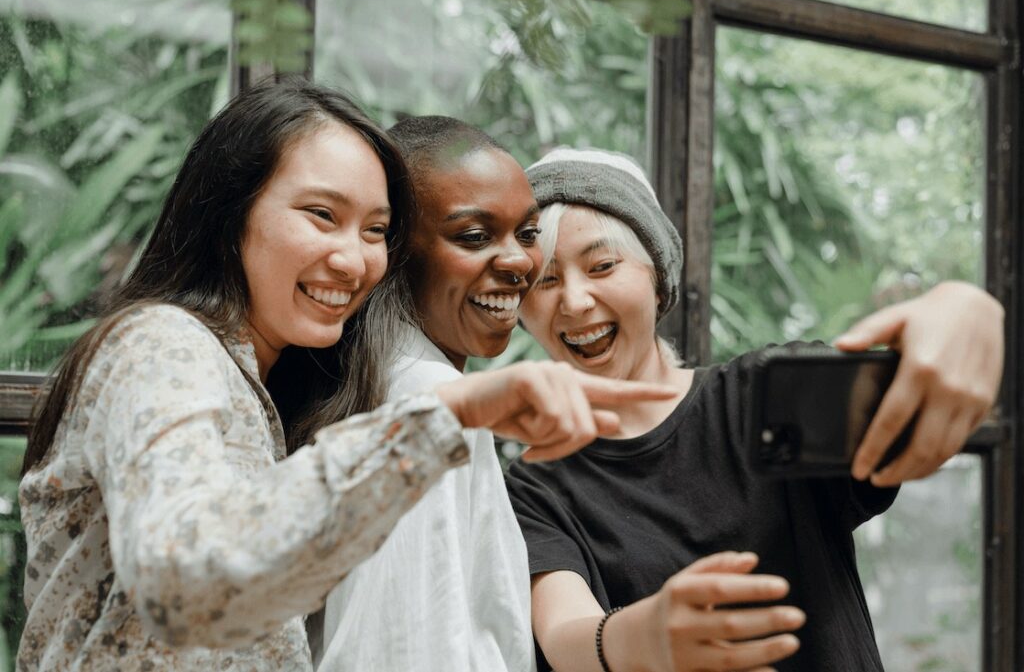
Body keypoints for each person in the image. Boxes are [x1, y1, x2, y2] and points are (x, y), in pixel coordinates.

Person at [16, 87, 674, 672]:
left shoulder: (266, 385)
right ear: (231, 211)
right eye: (322, 215)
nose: (354, 257)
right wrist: (447, 418)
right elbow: (182, 583)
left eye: (376, 230)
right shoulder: (164, 346)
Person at [505, 147, 1005, 672]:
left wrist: (964, 308)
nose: (576, 301)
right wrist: (643, 635)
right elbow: (565, 636)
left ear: (657, 278)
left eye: (603, 265)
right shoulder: (536, 485)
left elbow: (915, 388)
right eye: (546, 281)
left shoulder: (767, 395)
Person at [318, 116, 542, 671]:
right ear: (394, 251)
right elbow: (401, 651)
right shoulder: (429, 399)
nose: (518, 261)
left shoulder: (386, 380)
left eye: (529, 233)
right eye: (474, 236)